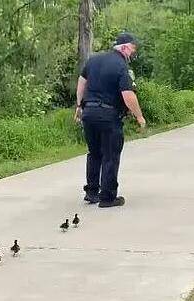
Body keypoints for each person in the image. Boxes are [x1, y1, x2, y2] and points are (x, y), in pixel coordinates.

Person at [74, 32, 146, 208]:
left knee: (94, 153)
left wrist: (79, 106)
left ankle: (91, 193)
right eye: (132, 49)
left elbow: (82, 82)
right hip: (108, 115)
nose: (133, 53)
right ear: (123, 47)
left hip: (89, 113)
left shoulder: (94, 60)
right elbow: (128, 95)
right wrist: (139, 116)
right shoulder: (121, 66)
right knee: (110, 155)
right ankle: (107, 197)